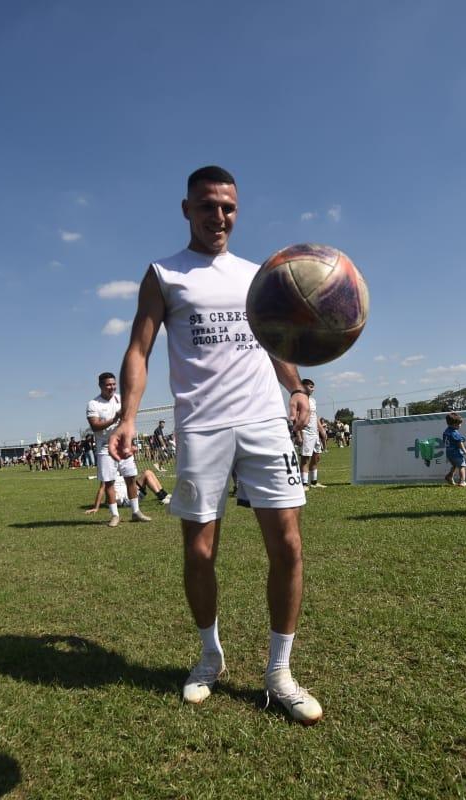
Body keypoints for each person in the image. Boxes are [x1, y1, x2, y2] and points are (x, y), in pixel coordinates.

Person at [109, 165, 322, 725]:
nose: (218, 216)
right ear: (186, 209)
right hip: (201, 427)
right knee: (200, 551)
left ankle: (279, 672)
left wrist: (296, 387)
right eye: (207, 206)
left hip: (264, 423)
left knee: (289, 547)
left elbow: (276, 340)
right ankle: (210, 655)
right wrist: (129, 416)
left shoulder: (261, 276)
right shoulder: (164, 274)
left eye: (227, 206)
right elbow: (139, 349)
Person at [87, 372, 151, 527]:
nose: (112, 387)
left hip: (123, 448)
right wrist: (114, 419)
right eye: (108, 384)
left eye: (114, 384)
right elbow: (94, 426)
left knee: (130, 478)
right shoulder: (94, 404)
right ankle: (115, 515)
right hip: (105, 449)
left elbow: (128, 420)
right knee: (109, 482)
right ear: (101, 385)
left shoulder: (121, 399)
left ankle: (136, 512)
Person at [85, 468, 171, 514]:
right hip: (126, 500)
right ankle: (161, 498)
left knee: (148, 472)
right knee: (147, 474)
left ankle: (164, 494)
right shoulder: (108, 472)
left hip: (131, 493)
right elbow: (101, 490)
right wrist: (96, 508)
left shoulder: (120, 469)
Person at [296, 379, 327, 489]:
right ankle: (303, 484)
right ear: (303, 387)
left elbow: (315, 416)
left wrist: (322, 431)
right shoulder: (299, 400)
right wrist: (298, 435)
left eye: (313, 387)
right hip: (306, 433)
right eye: (310, 386)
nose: (313, 389)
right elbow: (296, 418)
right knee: (305, 459)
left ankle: (314, 482)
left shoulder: (313, 401)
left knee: (316, 457)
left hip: (315, 433)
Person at [441, 413, 466, 487]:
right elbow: (459, 442)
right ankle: (462, 481)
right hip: (456, 452)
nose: (460, 426)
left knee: (454, 465)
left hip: (449, 453)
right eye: (458, 424)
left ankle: (449, 476)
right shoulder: (454, 432)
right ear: (452, 424)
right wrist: (465, 451)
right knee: (462, 466)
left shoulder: (446, 431)